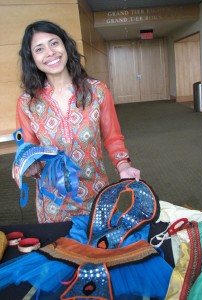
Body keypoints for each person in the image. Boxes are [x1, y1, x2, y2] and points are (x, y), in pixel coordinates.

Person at [16, 20, 141, 223]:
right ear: (32, 58)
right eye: (39, 49)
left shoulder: (97, 91)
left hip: (97, 195)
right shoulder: (26, 103)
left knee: (101, 250)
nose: (50, 52)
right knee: (60, 253)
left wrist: (123, 165)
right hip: (53, 203)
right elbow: (28, 149)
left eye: (54, 43)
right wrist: (29, 165)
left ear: (65, 45)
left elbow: (113, 137)